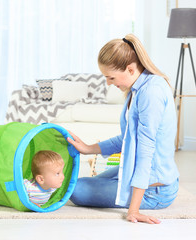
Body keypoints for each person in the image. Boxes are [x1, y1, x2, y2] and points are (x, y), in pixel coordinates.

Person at [67, 34, 179, 224]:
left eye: (110, 77)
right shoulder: (136, 89)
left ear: (130, 69)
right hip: (136, 169)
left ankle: (134, 194)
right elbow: (127, 139)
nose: (108, 83)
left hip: (156, 190)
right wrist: (88, 148)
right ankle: (123, 185)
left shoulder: (151, 92)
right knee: (76, 185)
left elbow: (146, 152)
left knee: (76, 190)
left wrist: (133, 209)